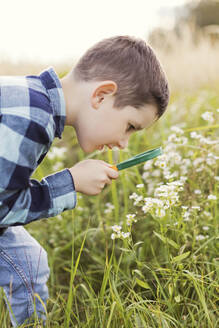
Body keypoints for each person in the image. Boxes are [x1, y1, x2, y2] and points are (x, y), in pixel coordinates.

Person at [0, 35, 169, 326]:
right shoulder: (33, 117)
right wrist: (70, 182)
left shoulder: (29, 97)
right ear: (101, 95)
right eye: (129, 126)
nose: (124, 143)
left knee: (28, 260)